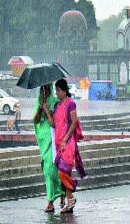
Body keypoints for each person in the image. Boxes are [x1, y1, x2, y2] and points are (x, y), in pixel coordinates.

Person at [43, 79, 86, 214]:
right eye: (56, 90)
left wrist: (65, 139)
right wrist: (46, 112)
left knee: (63, 171)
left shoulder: (70, 104)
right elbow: (54, 124)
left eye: (58, 90)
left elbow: (74, 123)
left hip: (68, 142)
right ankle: (69, 201)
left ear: (64, 91)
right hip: (58, 143)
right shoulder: (56, 105)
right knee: (63, 172)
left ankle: (71, 197)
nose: (56, 93)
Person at [33, 84, 65, 213]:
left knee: (52, 169)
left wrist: (48, 111)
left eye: (46, 88)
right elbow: (35, 121)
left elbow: (56, 122)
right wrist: (40, 109)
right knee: (47, 169)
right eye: (42, 88)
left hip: (53, 138)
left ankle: (55, 197)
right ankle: (53, 198)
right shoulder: (39, 101)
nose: (44, 90)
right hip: (44, 140)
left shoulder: (55, 101)